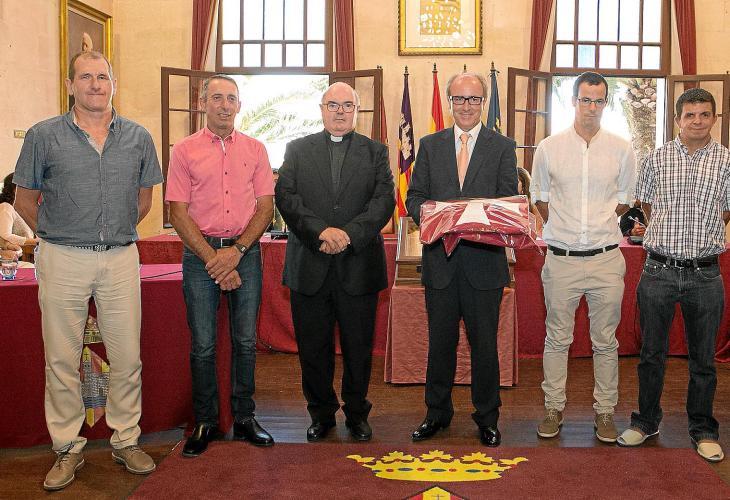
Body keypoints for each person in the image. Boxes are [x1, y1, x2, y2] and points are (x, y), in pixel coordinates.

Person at [13, 50, 162, 490]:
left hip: (120, 257)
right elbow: (24, 200)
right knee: (62, 360)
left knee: (127, 358)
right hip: (62, 257)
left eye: (102, 77)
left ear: (113, 84)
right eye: (86, 77)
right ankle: (67, 447)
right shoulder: (43, 136)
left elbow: (144, 201)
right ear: (70, 85)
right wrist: (57, 237)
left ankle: (126, 439)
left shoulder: (138, 137)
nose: (96, 84)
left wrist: (111, 233)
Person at [275, 82, 395, 442]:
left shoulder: (376, 152)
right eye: (333, 105)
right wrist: (321, 232)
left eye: (347, 105)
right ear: (321, 109)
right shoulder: (297, 149)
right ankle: (321, 413)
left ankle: (357, 413)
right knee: (313, 348)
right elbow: (286, 196)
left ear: (357, 111)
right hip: (310, 263)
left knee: (359, 348)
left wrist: (348, 235)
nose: (340, 111)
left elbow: (383, 201)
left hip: (358, 264)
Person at [406, 72, 518, 447]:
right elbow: (414, 199)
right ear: (450, 102)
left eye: (473, 99)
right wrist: (440, 217)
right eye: (459, 99)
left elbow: (507, 202)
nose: (466, 106)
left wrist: (471, 217)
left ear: (482, 102)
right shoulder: (430, 145)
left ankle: (487, 418)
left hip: (484, 266)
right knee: (440, 345)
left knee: (485, 346)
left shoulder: (502, 147)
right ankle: (436, 413)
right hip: (440, 264)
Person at [166, 74, 275, 457]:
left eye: (231, 98)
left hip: (246, 254)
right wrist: (215, 260)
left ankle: (244, 417)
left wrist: (237, 252)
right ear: (203, 103)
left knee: (245, 342)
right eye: (217, 98)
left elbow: (266, 208)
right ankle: (205, 421)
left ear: (239, 105)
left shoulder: (256, 149)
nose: (224, 105)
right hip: (201, 257)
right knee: (203, 345)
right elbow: (177, 212)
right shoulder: (184, 150)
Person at [617, 88, 729, 463]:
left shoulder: (727, 162)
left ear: (714, 118)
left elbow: (725, 212)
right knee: (651, 354)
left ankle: (703, 429)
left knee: (703, 360)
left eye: (704, 114)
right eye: (690, 115)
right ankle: (646, 422)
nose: (697, 121)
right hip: (658, 270)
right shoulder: (656, 158)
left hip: (705, 274)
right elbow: (647, 206)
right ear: (678, 119)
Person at [530, 71, 636, 443]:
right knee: (557, 339)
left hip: (606, 259)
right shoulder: (549, 148)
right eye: (585, 99)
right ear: (573, 101)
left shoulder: (622, 148)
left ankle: (605, 412)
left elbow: (624, 201)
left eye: (598, 100)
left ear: (606, 103)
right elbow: (541, 199)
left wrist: (596, 224)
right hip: (561, 259)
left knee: (605, 341)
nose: (591, 107)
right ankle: (553, 408)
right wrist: (567, 228)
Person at [0, 173, 36, 248]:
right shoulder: (6, 207)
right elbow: (5, 235)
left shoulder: (23, 209)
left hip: (30, 252)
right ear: (14, 188)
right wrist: (36, 241)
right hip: (18, 253)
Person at [517, 166, 543, 236]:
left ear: (524, 185)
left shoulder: (533, 204)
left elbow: (538, 231)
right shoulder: (507, 202)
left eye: (517, 182)